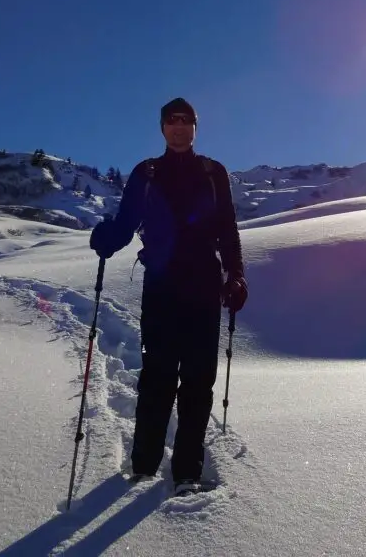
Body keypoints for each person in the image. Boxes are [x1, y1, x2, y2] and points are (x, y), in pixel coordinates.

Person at [89, 97, 248, 491]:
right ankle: (144, 465)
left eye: (186, 121)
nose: (179, 127)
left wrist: (236, 275)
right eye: (171, 121)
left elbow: (227, 230)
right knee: (158, 377)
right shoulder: (147, 173)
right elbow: (126, 224)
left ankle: (188, 472)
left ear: (196, 127)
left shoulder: (214, 173)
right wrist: (106, 239)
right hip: (161, 288)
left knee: (198, 381)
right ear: (162, 128)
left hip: (204, 288)